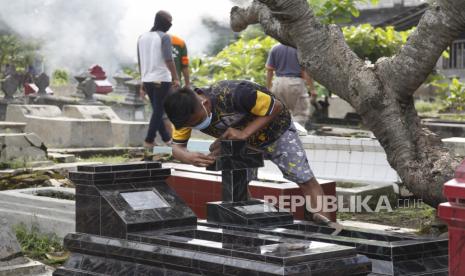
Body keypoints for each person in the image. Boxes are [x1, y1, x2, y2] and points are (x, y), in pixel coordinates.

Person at [163, 80, 332, 223]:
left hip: (276, 132)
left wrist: (244, 133)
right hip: (242, 142)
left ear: (204, 103)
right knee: (237, 186)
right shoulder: (185, 114)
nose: (194, 127)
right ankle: (257, 221)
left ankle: (326, 233)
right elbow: (177, 148)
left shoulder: (236, 93)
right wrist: (188, 157)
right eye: (190, 126)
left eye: (197, 122)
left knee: (305, 180)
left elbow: (277, 106)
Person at [137, 10, 179, 147]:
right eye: (169, 20)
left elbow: (140, 61)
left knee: (157, 110)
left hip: (148, 78)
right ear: (163, 21)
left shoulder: (141, 37)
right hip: (161, 78)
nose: (171, 23)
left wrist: (142, 81)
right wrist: (175, 77)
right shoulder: (164, 37)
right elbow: (169, 59)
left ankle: (167, 139)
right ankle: (149, 140)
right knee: (158, 110)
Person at [266, 43, 317, 126]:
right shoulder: (299, 49)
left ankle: (282, 135)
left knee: (280, 115)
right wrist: (312, 89)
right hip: (295, 83)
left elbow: (269, 70)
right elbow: (305, 71)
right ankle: (297, 135)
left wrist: (268, 89)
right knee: (300, 114)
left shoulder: (275, 48)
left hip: (278, 83)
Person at [163, 34, 191, 137]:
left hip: (162, 82)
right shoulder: (180, 42)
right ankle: (173, 137)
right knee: (174, 110)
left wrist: (187, 84)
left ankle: (171, 137)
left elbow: (184, 66)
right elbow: (185, 66)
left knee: (164, 111)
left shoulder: (157, 40)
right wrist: (187, 84)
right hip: (174, 83)